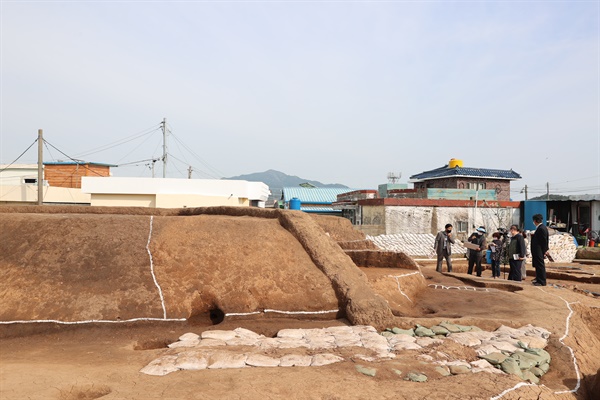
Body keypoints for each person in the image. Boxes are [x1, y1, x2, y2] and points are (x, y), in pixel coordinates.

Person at [531, 214, 549, 286]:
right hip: (537, 250)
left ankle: (542, 281)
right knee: (538, 265)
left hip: (539, 250)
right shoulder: (540, 228)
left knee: (540, 265)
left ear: (535, 221)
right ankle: (538, 279)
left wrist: (544, 250)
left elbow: (544, 241)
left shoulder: (541, 228)